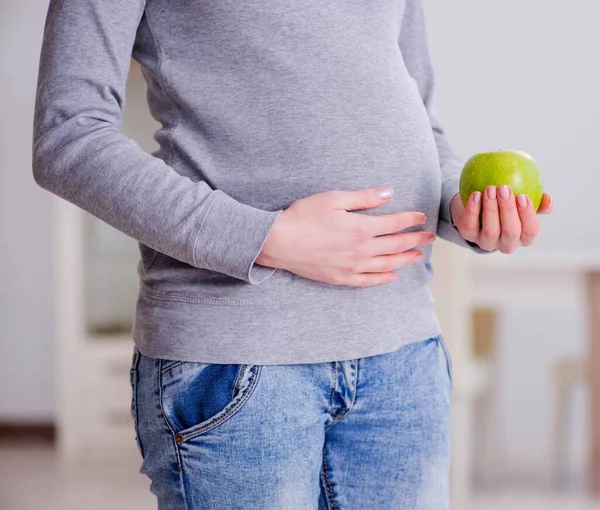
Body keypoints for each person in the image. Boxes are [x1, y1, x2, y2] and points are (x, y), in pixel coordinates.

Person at [33, 0, 553, 508]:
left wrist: (462, 210)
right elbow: (69, 135)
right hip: (240, 360)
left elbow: (421, 124)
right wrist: (266, 238)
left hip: (404, 356)